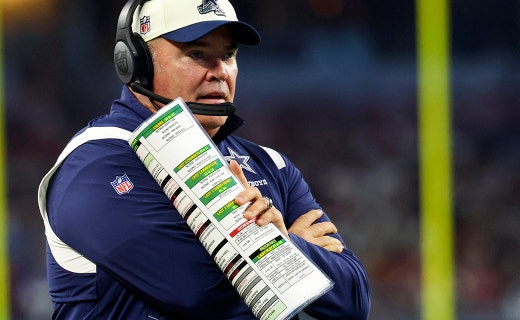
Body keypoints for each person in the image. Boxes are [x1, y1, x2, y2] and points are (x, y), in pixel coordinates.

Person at [37, 0, 371, 319]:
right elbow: (200, 293)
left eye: (228, 55)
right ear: (136, 63)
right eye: (197, 54)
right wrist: (284, 246)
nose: (220, 72)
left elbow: (354, 299)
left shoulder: (270, 164)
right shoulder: (96, 163)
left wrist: (282, 246)